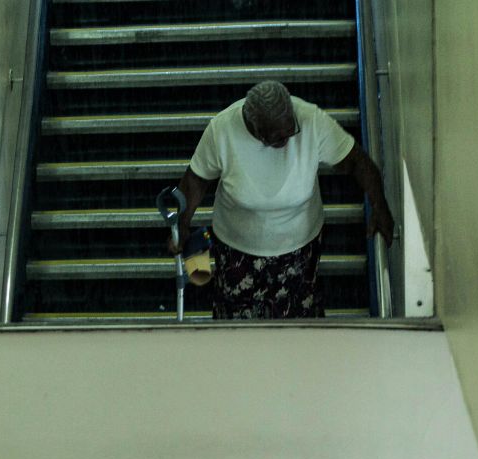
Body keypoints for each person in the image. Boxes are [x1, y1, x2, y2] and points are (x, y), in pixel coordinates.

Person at [169, 81, 395, 319]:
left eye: (290, 131)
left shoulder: (311, 120)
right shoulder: (222, 129)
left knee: (298, 323)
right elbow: (195, 180)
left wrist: (380, 205)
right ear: (255, 130)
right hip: (237, 250)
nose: (287, 139)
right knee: (238, 325)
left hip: (299, 247)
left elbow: (357, 161)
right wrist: (181, 225)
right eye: (276, 138)